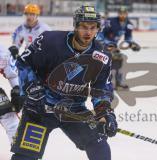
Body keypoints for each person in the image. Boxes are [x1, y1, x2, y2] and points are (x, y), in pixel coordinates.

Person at [11, 6, 117, 160]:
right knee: (25, 156)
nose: (88, 32)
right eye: (83, 27)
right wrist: (32, 87)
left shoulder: (101, 56)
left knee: (97, 141)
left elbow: (101, 88)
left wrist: (105, 111)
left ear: (98, 29)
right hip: (40, 108)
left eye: (93, 28)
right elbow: (23, 63)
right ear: (75, 26)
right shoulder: (49, 41)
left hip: (73, 110)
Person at [98, 6, 141, 90]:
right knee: (106, 62)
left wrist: (132, 45)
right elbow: (101, 33)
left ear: (126, 14)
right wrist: (104, 43)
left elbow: (128, 37)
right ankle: (102, 84)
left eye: (124, 13)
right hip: (103, 45)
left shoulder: (129, 24)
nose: (122, 15)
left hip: (113, 46)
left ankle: (118, 83)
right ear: (118, 14)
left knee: (119, 60)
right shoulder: (110, 21)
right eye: (120, 13)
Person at [0, 44, 22, 144]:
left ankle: (22, 154)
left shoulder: (2, 51)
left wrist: (17, 89)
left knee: (11, 121)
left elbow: (11, 72)